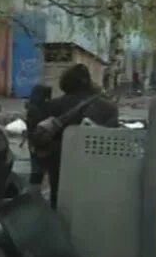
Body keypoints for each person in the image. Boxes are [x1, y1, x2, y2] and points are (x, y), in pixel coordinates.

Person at [31, 64, 119, 208]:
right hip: (95, 169)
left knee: (58, 202)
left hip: (60, 166)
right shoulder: (108, 108)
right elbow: (114, 141)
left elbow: (39, 139)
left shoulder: (51, 106)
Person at [24, 84, 54, 188]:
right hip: (39, 140)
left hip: (34, 139)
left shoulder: (32, 106)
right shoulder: (40, 108)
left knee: (37, 166)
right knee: (38, 166)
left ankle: (35, 188)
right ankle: (35, 189)